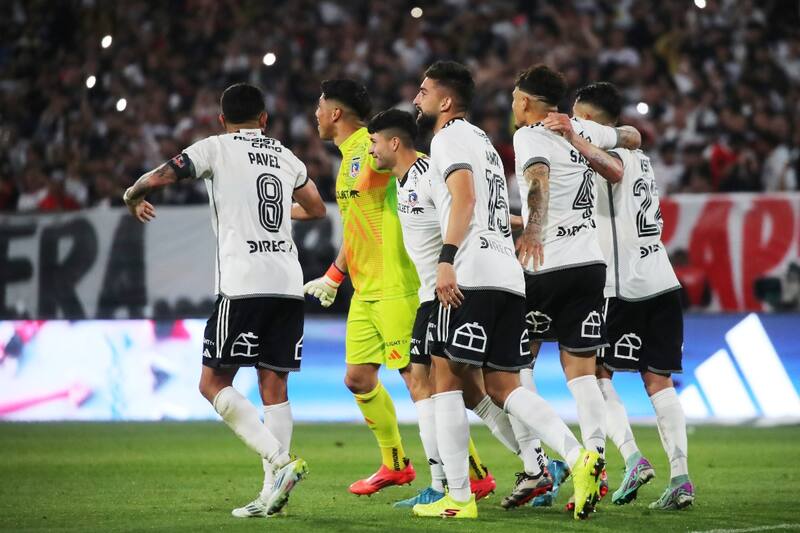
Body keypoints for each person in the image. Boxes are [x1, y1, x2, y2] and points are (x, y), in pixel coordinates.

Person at [122, 83, 326, 518]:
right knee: (275, 385)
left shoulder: (215, 147)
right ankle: (273, 493)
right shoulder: (287, 156)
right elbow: (316, 208)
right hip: (288, 283)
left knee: (211, 383)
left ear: (222, 120)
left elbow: (162, 175)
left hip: (243, 281)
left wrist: (133, 193)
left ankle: (283, 463)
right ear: (264, 119)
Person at [410, 61, 595, 520]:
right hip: (508, 277)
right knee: (502, 383)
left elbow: (467, 199)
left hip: (470, 273)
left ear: (446, 101)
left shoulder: (447, 137)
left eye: (424, 90)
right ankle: (578, 456)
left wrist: (447, 259)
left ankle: (457, 497)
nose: (417, 98)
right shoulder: (487, 145)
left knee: (445, 380)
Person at [366, 109, 547, 509]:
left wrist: (510, 225)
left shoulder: (430, 170)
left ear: (395, 142)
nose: (370, 150)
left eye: (374, 142)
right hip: (436, 292)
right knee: (467, 391)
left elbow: (467, 204)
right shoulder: (404, 179)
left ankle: (455, 484)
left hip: (448, 291)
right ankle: (535, 464)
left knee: (443, 386)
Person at [511, 64, 642, 516]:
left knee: (514, 365)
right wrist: (579, 132)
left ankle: (536, 462)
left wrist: (532, 232)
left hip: (547, 264)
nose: (513, 106)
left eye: (514, 98)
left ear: (526, 102)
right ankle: (597, 464)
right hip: (591, 266)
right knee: (582, 375)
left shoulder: (529, 134)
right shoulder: (578, 127)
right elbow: (633, 137)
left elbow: (538, 180)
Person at [562, 81, 694, 510]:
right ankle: (680, 479)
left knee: (595, 374)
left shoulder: (608, 158)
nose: (574, 121)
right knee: (659, 382)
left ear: (595, 121)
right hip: (662, 281)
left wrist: (571, 136)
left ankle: (632, 456)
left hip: (622, 290)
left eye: (579, 115)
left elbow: (610, 168)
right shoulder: (642, 157)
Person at [304, 79, 420, 495]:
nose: (315, 113)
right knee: (357, 378)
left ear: (336, 113)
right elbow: (356, 230)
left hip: (394, 284)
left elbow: (416, 162)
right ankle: (396, 464)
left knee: (418, 383)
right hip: (365, 290)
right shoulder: (348, 157)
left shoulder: (371, 149)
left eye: (320, 106)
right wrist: (335, 276)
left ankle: (473, 476)